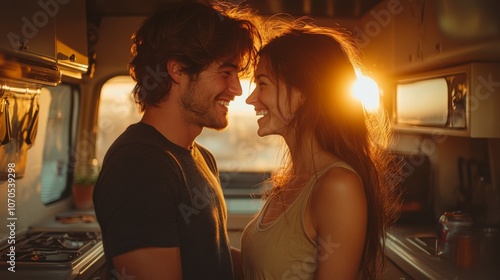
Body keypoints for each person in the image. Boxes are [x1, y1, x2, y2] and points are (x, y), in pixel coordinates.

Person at [92, 2, 261, 279]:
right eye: (226, 73)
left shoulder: (201, 157)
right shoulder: (138, 166)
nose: (237, 89)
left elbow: (209, 255)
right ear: (178, 70)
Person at [241, 19, 400, 280]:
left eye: (262, 84)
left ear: (302, 95)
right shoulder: (294, 178)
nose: (251, 98)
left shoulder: (338, 186)